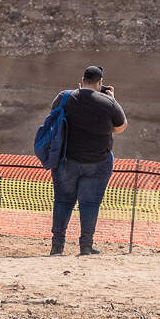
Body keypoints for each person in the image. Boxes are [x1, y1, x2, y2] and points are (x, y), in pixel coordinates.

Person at [51, 65, 127, 256]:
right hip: (97, 162)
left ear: (82, 80)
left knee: (62, 201)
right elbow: (120, 127)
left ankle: (57, 246)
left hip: (67, 160)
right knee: (90, 204)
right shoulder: (109, 102)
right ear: (100, 82)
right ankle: (86, 245)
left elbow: (54, 119)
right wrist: (111, 99)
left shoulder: (65, 97)